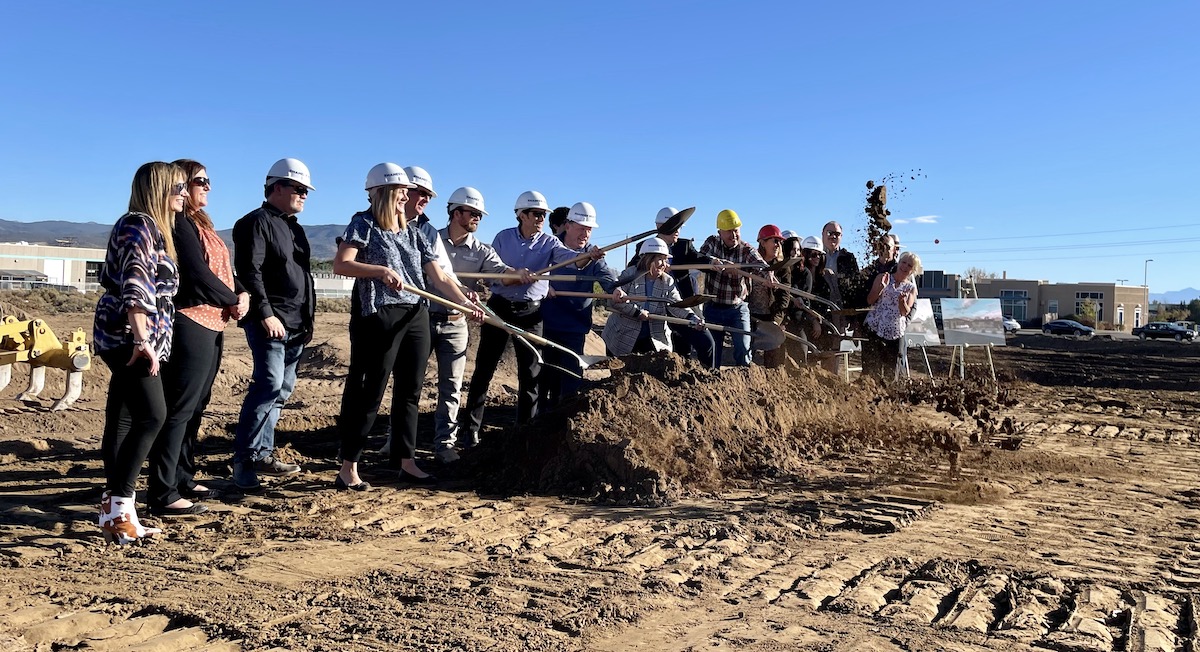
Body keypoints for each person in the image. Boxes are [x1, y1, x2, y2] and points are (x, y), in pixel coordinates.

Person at [332, 163, 484, 490]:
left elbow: (439, 276)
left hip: (416, 313)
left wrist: (466, 303)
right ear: (384, 193)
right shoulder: (364, 224)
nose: (407, 196)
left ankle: (407, 461)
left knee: (410, 390)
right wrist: (378, 271)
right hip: (379, 314)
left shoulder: (415, 231)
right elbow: (342, 264)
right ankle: (349, 468)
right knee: (370, 389)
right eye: (402, 191)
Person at [148, 159, 249, 517]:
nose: (207, 187)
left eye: (209, 181)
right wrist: (232, 300)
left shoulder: (201, 223)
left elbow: (224, 270)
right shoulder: (178, 222)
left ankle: (183, 476)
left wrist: (241, 292)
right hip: (191, 320)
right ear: (181, 184)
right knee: (180, 408)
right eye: (200, 181)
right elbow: (196, 274)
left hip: (214, 323)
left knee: (197, 406)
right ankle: (162, 490)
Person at [460, 191, 600, 445]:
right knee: (484, 370)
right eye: (536, 214)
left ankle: (525, 430)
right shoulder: (502, 238)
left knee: (531, 374)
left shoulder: (549, 243)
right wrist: (513, 275)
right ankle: (470, 430)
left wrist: (586, 257)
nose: (540, 219)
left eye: (543, 215)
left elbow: (569, 259)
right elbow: (492, 272)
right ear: (521, 215)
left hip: (531, 314)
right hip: (499, 308)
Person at [93, 161, 185, 544]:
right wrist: (142, 340)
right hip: (128, 337)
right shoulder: (140, 225)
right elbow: (136, 284)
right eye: (178, 186)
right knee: (153, 415)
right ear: (160, 188)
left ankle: (114, 512)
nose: (184, 193)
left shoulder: (155, 229)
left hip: (136, 335)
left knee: (125, 418)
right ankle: (120, 507)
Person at [230, 158, 316, 492]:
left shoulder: (294, 227)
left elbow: (304, 277)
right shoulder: (255, 223)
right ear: (276, 187)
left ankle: (263, 453)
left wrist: (308, 320)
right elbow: (250, 271)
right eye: (298, 189)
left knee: (281, 391)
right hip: (271, 321)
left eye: (306, 191)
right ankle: (244, 462)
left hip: (295, 324)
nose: (304, 195)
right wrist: (265, 313)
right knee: (267, 385)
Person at [427, 186, 519, 463]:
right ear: (457, 213)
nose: (478, 217)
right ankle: (396, 443)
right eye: (474, 212)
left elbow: (501, 274)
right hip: (422, 320)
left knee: (452, 387)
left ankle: (444, 445)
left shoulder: (481, 251)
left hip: (456, 324)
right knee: (410, 385)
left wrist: (522, 275)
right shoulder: (430, 240)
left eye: (480, 214)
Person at [541, 202, 622, 409]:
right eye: (581, 228)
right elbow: (534, 272)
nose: (585, 234)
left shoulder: (592, 256)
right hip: (545, 325)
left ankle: (565, 426)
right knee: (544, 379)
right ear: (568, 225)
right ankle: (537, 424)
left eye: (589, 229)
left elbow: (607, 278)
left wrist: (616, 290)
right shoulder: (549, 246)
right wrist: (542, 285)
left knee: (570, 382)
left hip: (574, 328)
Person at [603, 238, 702, 355]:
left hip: (654, 338)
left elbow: (676, 304)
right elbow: (614, 301)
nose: (665, 265)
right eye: (660, 260)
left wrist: (692, 317)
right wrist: (637, 312)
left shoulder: (667, 281)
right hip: (623, 338)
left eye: (666, 260)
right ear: (648, 259)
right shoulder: (629, 275)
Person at [698, 209, 771, 367]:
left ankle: (745, 385)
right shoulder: (712, 242)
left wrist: (768, 274)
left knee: (743, 349)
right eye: (729, 232)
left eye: (736, 231)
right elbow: (700, 258)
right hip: (713, 308)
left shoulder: (746, 250)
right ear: (720, 232)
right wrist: (715, 262)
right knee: (712, 352)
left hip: (737, 309)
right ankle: (710, 383)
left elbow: (759, 265)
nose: (733, 235)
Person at [656, 207, 718, 368]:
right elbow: (636, 269)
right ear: (660, 226)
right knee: (672, 354)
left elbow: (698, 258)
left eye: (679, 227)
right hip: (657, 308)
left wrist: (712, 262)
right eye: (674, 227)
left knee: (705, 342)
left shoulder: (684, 246)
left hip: (683, 306)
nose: (678, 231)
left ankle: (707, 379)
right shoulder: (646, 247)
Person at [863, 251, 922, 380]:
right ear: (898, 263)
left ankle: (889, 395)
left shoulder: (910, 288)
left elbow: (905, 312)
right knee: (872, 368)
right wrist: (881, 288)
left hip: (894, 332)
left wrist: (902, 301)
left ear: (913, 270)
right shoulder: (884, 277)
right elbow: (869, 300)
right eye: (903, 262)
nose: (905, 267)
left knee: (892, 370)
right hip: (875, 327)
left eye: (909, 265)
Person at [748, 224, 791, 368]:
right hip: (751, 316)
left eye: (780, 241)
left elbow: (784, 297)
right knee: (747, 355)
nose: (778, 245)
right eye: (774, 241)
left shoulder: (783, 268)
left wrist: (777, 321)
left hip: (771, 317)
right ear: (762, 242)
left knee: (773, 359)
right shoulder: (750, 264)